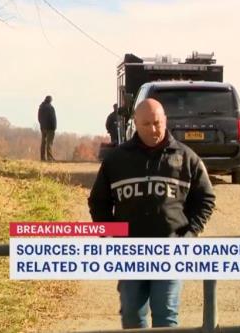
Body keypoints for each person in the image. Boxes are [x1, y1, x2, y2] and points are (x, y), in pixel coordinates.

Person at [88, 98, 216, 329]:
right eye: (146, 124)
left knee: (166, 317)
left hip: (170, 251)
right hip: (129, 252)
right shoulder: (116, 160)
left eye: (157, 122)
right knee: (132, 316)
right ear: (135, 124)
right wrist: (109, 237)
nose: (153, 129)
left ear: (165, 121)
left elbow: (206, 199)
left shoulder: (186, 158)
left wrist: (189, 235)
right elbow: (98, 202)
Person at [37, 95, 57, 161]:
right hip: (50, 128)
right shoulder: (51, 108)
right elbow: (53, 119)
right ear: (50, 100)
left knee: (43, 142)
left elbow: (39, 118)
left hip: (43, 128)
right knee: (49, 143)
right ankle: (49, 157)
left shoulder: (41, 107)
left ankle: (42, 157)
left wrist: (42, 125)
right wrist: (54, 127)